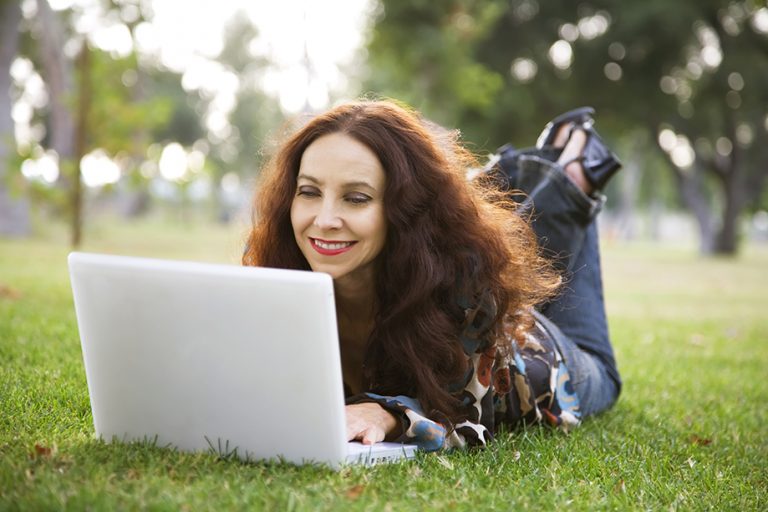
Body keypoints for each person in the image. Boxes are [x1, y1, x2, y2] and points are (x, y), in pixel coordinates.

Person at [243, 100, 622, 451]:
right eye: (308, 191)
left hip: (545, 359)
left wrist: (388, 414)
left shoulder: (462, 283)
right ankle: (534, 171)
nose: (323, 221)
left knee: (603, 371)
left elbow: (468, 416)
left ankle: (572, 178)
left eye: (356, 198)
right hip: (495, 306)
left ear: (404, 209)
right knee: (505, 245)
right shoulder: (283, 274)